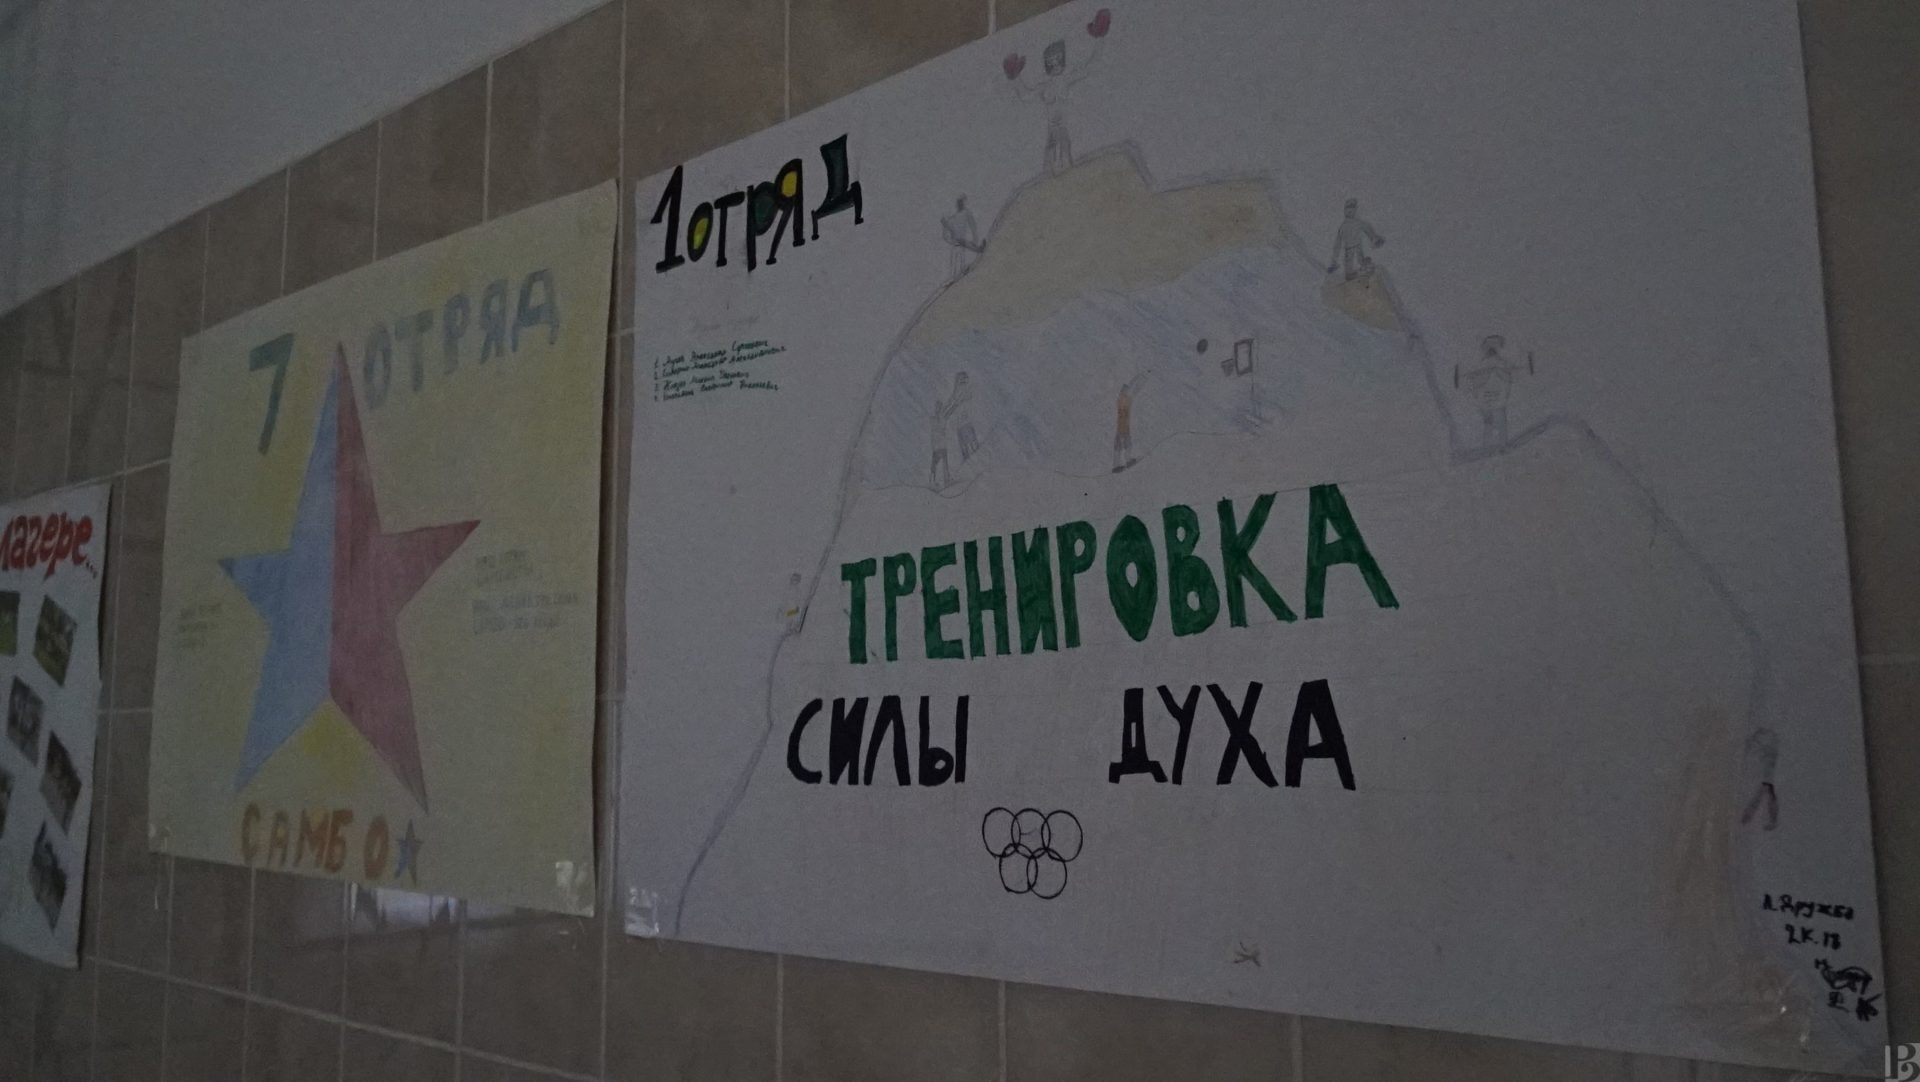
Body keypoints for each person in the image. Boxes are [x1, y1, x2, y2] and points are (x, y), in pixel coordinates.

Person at [1454, 335, 1533, 448]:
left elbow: (1470, 379)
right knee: (1500, 421)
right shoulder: (1501, 363)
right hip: (1498, 398)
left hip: (1485, 399)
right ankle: (1502, 445)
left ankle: (1488, 446)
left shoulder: (1483, 364)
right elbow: (1514, 372)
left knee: (1489, 421)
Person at [1327, 198, 1386, 281]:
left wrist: (1374, 238)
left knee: (1356, 257)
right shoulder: (1349, 225)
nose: (1350, 211)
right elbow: (1337, 244)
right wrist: (1333, 262)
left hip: (1355, 247)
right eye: (1348, 208)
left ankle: (1359, 266)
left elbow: (1337, 245)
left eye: (1352, 208)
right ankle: (1352, 272)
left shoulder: (1352, 224)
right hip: (1351, 248)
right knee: (1350, 260)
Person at [1112, 373, 1146, 472]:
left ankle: (1120, 463)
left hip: (1122, 427)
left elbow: (1133, 389)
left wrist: (1140, 378)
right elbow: (1134, 389)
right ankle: (1123, 462)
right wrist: (1142, 378)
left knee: (1122, 444)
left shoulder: (1123, 400)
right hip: (1123, 427)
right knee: (1124, 444)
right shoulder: (1125, 401)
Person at [942, 197, 983, 279]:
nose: (960, 205)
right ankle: (954, 275)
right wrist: (950, 237)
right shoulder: (954, 216)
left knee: (962, 251)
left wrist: (975, 239)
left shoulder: (965, 213)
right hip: (956, 241)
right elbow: (946, 234)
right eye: (959, 203)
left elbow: (972, 225)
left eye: (961, 203)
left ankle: (960, 271)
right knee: (958, 252)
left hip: (959, 240)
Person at [951, 372, 980, 461]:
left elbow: (965, 398)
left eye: (963, 378)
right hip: (961, 421)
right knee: (964, 440)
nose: (962, 381)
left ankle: (973, 452)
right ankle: (968, 455)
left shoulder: (964, 389)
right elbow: (956, 400)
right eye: (960, 379)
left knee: (969, 439)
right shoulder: (958, 390)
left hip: (964, 420)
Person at [930, 393, 952, 489]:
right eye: (938, 408)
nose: (939, 409)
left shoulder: (941, 419)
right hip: (937, 445)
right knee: (935, 463)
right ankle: (933, 481)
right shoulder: (933, 419)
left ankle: (946, 479)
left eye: (940, 408)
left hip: (942, 444)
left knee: (944, 462)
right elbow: (939, 429)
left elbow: (943, 428)